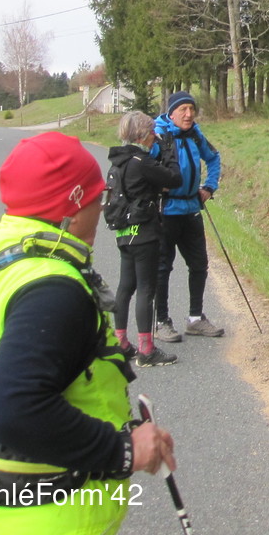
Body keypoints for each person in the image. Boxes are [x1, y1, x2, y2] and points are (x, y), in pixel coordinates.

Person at [0, 132, 175, 534]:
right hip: (39, 519)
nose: (102, 207)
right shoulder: (53, 287)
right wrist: (121, 449)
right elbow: (13, 406)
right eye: (98, 197)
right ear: (74, 205)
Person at [107, 110, 183, 367]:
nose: (154, 136)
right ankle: (146, 350)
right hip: (144, 232)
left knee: (125, 287)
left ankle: (121, 342)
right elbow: (175, 178)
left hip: (124, 232)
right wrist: (169, 150)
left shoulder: (118, 162)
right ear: (141, 135)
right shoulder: (142, 162)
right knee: (146, 289)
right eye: (151, 132)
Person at [151, 91, 224, 342]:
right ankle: (161, 321)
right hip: (165, 211)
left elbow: (213, 158)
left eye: (191, 109)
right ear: (171, 113)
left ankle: (195, 319)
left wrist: (209, 187)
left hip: (191, 209)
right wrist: (155, 188)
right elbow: (143, 168)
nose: (189, 114)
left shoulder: (195, 134)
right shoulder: (158, 136)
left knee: (199, 264)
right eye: (183, 109)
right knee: (162, 268)